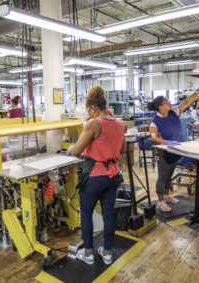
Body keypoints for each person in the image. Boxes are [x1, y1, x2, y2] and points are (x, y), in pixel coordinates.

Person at [70, 85, 126, 265]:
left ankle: (88, 254)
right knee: (108, 214)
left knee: (86, 214)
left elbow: (77, 151)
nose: (89, 115)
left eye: (89, 111)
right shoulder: (118, 123)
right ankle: (107, 252)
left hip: (95, 176)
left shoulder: (94, 123)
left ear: (93, 108)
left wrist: (71, 148)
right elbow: (123, 149)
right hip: (114, 175)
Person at [148, 80, 199, 212]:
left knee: (170, 174)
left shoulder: (173, 112)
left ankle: (167, 195)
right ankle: (161, 201)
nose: (169, 103)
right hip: (163, 152)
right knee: (163, 176)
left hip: (175, 150)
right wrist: (167, 142)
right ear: (160, 107)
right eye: (166, 102)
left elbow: (186, 102)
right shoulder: (154, 121)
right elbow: (154, 139)